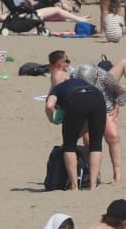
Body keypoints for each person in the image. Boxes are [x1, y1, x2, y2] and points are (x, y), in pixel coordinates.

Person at [45, 55, 109, 190]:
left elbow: (49, 106)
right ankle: (93, 186)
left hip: (76, 100)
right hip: (97, 98)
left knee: (69, 146)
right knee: (96, 145)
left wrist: (51, 119)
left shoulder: (57, 89)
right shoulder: (82, 82)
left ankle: (74, 186)